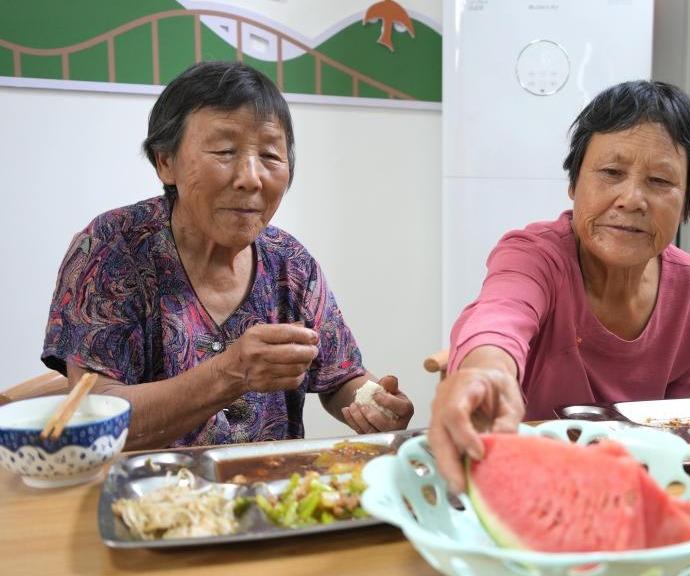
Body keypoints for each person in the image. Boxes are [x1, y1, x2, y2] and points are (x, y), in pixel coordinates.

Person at [41, 61, 413, 450]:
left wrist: (374, 403)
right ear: (166, 162)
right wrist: (231, 372)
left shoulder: (290, 263)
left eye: (270, 156)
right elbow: (94, 413)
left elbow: (341, 378)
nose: (251, 177)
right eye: (224, 150)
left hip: (266, 496)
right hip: (145, 499)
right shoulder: (112, 248)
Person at [429, 80, 690, 491]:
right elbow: (500, 315)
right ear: (574, 185)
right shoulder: (535, 256)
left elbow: (678, 422)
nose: (632, 199)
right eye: (611, 173)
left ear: (687, 200)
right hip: (520, 482)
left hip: (629, 490)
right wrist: (486, 372)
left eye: (660, 181)